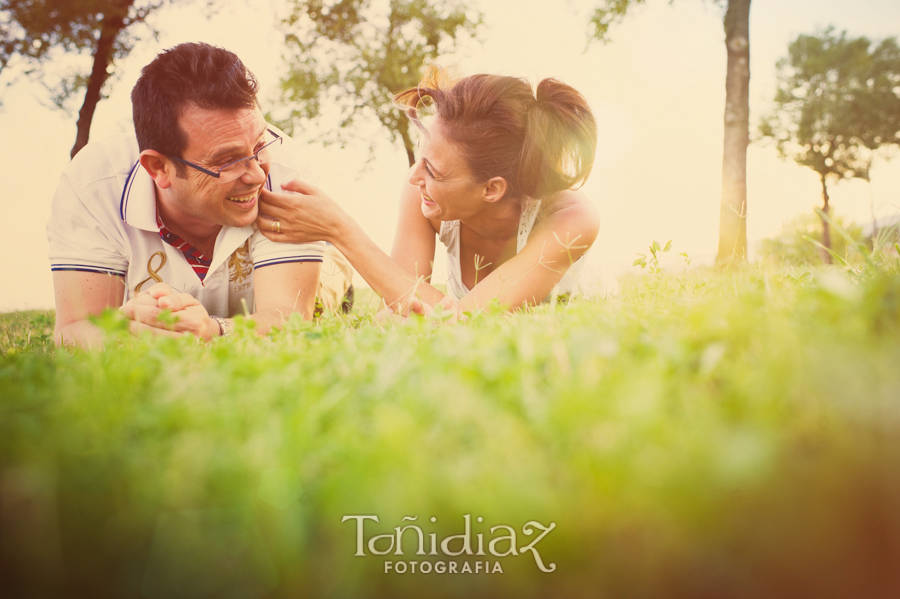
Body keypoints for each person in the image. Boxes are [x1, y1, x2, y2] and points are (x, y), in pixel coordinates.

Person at [47, 42, 351, 349]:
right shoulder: (94, 185)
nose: (258, 175)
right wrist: (127, 335)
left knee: (323, 291)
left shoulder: (285, 167)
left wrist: (214, 330)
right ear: (159, 167)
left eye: (259, 146)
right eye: (228, 161)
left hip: (307, 273)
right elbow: (72, 329)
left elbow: (290, 316)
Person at [256, 67, 600, 318]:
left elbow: (463, 320)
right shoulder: (425, 194)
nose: (414, 177)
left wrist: (340, 230)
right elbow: (396, 309)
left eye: (432, 170)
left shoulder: (573, 219)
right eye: (421, 159)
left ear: (492, 189)